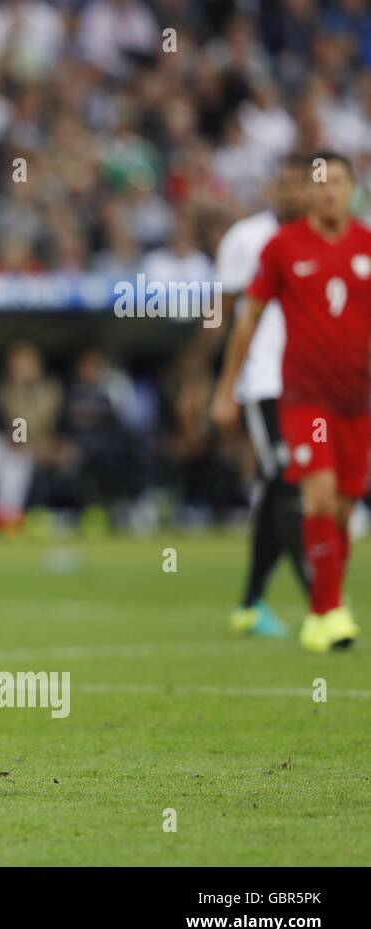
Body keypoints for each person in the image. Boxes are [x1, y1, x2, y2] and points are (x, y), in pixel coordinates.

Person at [212, 151, 371, 653]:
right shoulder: (280, 247)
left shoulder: (366, 245)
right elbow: (245, 316)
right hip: (300, 395)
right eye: (319, 183)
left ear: (351, 188)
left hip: (356, 400)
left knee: (342, 507)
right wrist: (225, 388)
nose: (328, 191)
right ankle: (326, 611)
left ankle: (304, 604)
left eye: (337, 181)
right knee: (311, 492)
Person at [212, 155, 311, 638]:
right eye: (284, 184)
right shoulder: (247, 239)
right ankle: (321, 600)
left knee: (279, 485)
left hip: (315, 385)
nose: (291, 193)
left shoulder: (327, 240)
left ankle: (251, 603)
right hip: (265, 380)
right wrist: (216, 384)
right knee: (288, 479)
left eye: (300, 184)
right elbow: (223, 313)